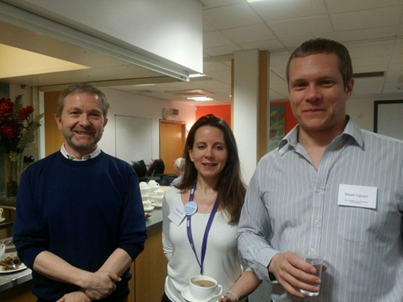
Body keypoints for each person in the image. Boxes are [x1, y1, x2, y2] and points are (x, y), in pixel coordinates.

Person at [237, 38, 403, 302]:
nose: (312, 95)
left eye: (325, 82)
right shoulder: (269, 166)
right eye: (300, 84)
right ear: (291, 92)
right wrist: (272, 260)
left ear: (348, 87)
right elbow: (248, 233)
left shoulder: (396, 159)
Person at [13, 83, 147, 302]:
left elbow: (132, 239)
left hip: (111, 297)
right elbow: (28, 246)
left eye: (94, 115)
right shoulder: (33, 176)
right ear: (59, 120)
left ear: (104, 123)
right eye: (74, 113)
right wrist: (87, 282)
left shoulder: (123, 173)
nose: (84, 122)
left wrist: (86, 296)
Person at [162, 114, 261, 302]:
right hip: (175, 296)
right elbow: (168, 244)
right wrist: (185, 275)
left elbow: (257, 261)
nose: (209, 154)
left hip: (226, 299)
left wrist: (234, 294)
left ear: (229, 154)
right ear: (190, 153)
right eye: (201, 146)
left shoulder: (245, 200)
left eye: (218, 147)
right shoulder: (172, 196)